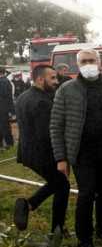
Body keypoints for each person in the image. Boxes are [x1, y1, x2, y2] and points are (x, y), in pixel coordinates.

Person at [50, 48, 102, 247]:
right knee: (87, 194)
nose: (89, 64)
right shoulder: (66, 90)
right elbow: (56, 124)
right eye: (84, 61)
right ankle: (84, 240)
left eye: (92, 60)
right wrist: (61, 158)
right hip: (81, 153)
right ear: (78, 65)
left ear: (99, 63)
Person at [13, 65, 70, 235]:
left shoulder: (23, 96)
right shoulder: (43, 102)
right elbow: (46, 134)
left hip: (27, 153)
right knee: (62, 185)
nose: (56, 82)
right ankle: (56, 229)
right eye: (52, 78)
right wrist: (61, 157)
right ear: (39, 79)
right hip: (43, 154)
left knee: (58, 184)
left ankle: (30, 205)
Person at [0, 67, 14, 151]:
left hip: (2, 107)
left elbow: (6, 96)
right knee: (5, 126)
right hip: (5, 107)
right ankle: (7, 143)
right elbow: (10, 97)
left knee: (4, 127)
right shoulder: (7, 82)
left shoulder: (3, 82)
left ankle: (8, 143)